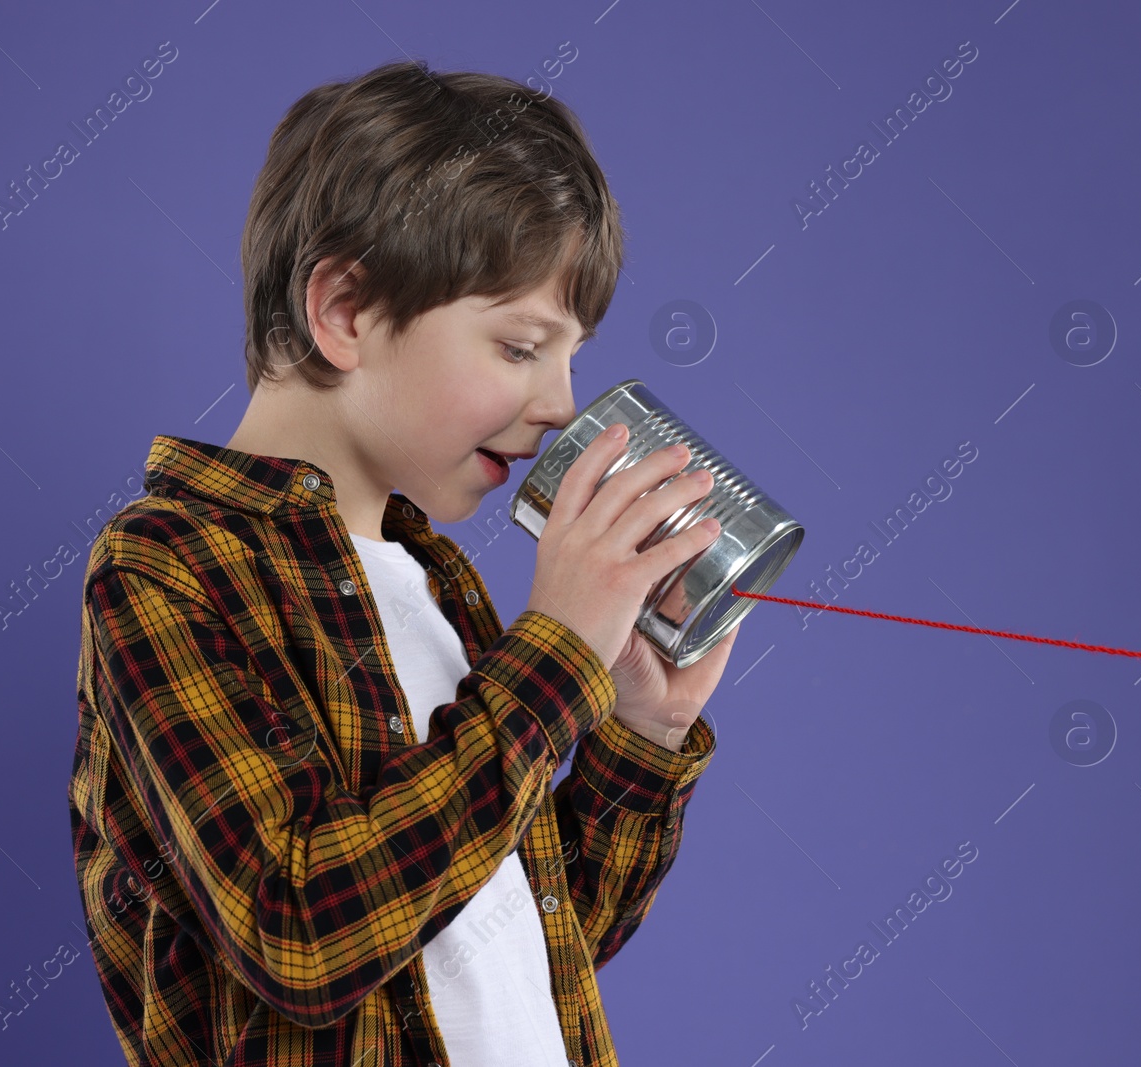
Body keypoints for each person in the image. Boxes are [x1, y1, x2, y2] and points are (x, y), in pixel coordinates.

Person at [69, 57, 740, 1067]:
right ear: (344, 310)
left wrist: (642, 731)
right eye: (520, 346)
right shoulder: (168, 565)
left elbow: (516, 942)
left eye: (570, 354)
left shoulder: (438, 582)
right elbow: (302, 933)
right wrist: (551, 662)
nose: (561, 401)